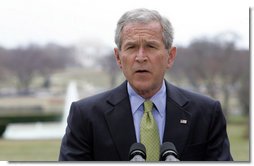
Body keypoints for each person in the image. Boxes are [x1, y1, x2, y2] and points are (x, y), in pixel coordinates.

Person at [59, 8, 233, 161]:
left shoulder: (207, 113)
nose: (141, 57)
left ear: (170, 56)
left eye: (150, 46)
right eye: (131, 47)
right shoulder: (85, 116)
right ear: (118, 58)